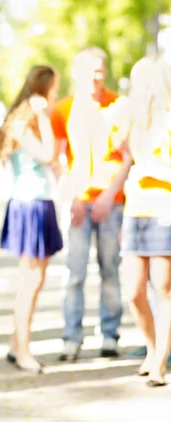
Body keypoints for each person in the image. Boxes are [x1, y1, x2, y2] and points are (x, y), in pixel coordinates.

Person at [50, 47, 132, 361]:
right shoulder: (63, 109)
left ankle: (109, 336)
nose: (95, 77)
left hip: (112, 202)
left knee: (110, 271)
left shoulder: (121, 106)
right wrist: (69, 197)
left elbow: (128, 157)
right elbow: (57, 160)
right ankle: (71, 338)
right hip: (77, 205)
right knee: (74, 274)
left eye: (100, 70)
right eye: (89, 71)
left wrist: (109, 196)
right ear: (76, 72)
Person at [0, 65, 63, 372]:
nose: (56, 95)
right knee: (31, 281)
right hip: (30, 204)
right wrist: (45, 116)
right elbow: (49, 155)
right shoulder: (25, 122)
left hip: (38, 201)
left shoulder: (26, 121)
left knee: (33, 280)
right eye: (54, 89)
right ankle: (23, 349)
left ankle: (16, 344)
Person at [120, 56, 171, 387]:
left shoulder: (168, 121)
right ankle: (152, 349)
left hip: (164, 210)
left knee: (163, 289)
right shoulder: (134, 122)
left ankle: (159, 364)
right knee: (133, 291)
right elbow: (118, 151)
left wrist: (148, 171)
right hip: (135, 211)